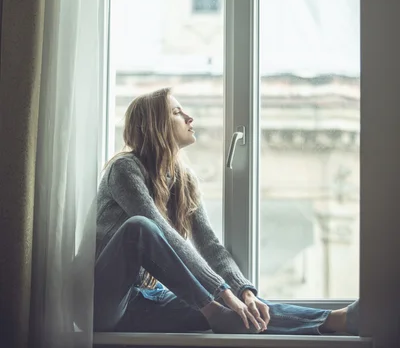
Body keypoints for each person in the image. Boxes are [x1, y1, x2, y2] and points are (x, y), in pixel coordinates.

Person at [89, 87, 360, 335]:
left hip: (148, 302)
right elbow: (158, 230)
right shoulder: (124, 169)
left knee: (247, 310)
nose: (189, 117)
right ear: (154, 125)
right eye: (177, 112)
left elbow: (211, 246)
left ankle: (340, 320)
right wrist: (219, 292)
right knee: (141, 227)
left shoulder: (183, 181)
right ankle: (213, 312)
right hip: (103, 305)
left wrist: (243, 291)